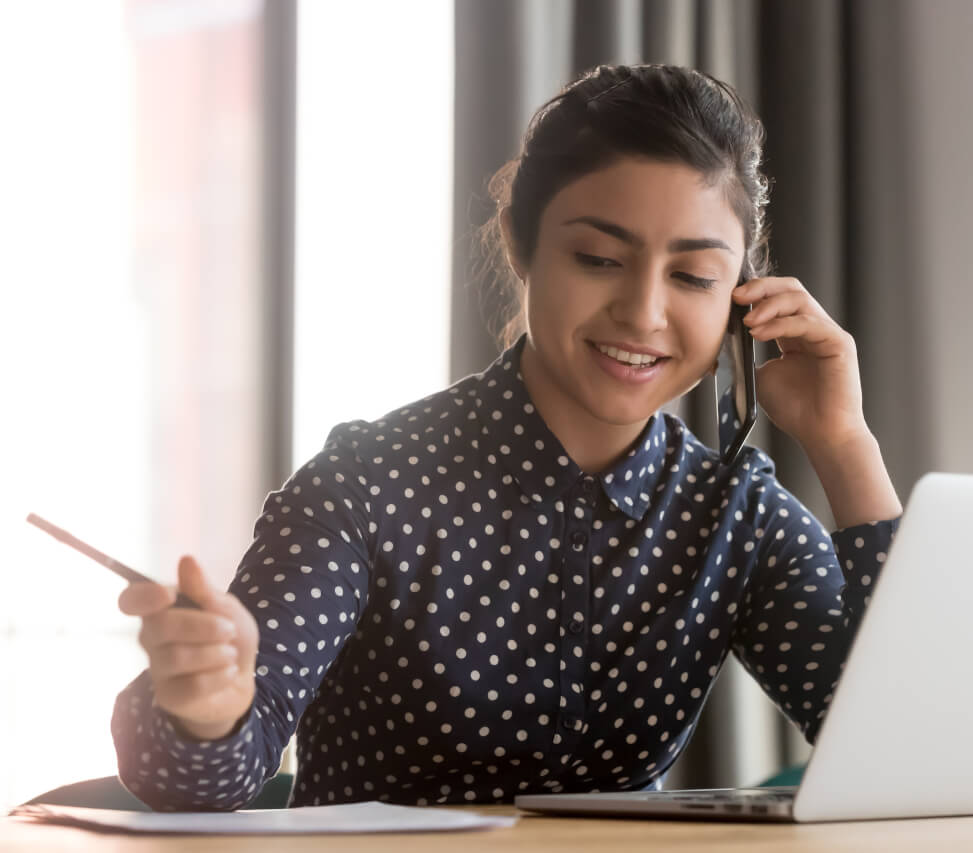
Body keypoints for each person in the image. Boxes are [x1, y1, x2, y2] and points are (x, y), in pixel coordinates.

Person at [112, 63, 903, 811]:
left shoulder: (736, 512)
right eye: (598, 257)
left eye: (693, 277)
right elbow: (206, 779)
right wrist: (208, 709)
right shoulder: (366, 481)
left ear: (742, 298)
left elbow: (898, 748)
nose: (643, 313)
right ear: (522, 247)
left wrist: (843, 443)